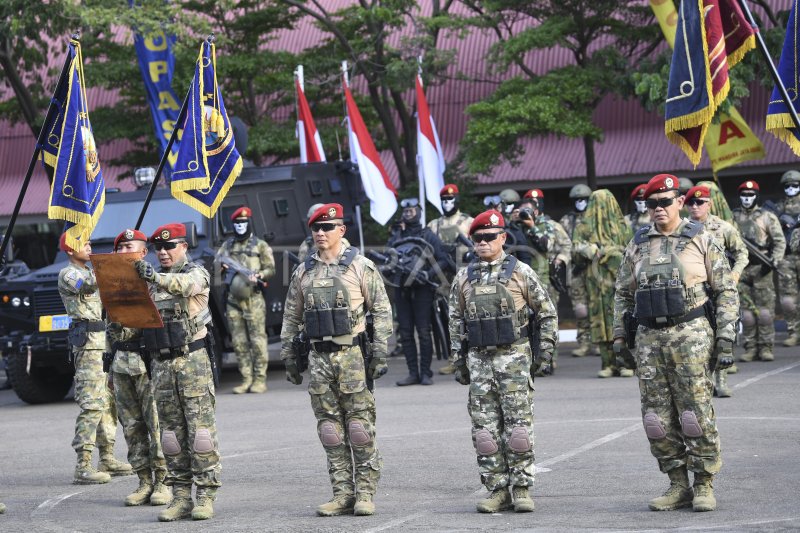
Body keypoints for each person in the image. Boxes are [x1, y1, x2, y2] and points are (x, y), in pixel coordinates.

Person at [614, 174, 738, 513]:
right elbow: (623, 294)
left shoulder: (702, 239)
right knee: (656, 418)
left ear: (679, 203)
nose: (658, 209)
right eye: (652, 203)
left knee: (694, 413)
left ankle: (703, 483)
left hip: (691, 337)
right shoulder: (637, 244)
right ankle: (677, 483)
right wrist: (619, 337)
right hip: (649, 340)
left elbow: (726, 290)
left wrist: (726, 336)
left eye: (665, 202)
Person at [281, 203, 391, 517]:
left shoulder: (361, 266)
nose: (320, 233)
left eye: (327, 227)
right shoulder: (304, 271)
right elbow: (292, 316)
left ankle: (365, 492)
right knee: (330, 430)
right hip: (319, 360)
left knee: (359, 427)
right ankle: (342, 493)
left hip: (352, 357)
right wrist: (288, 354)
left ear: (341, 230)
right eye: (315, 228)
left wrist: (380, 351)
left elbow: (381, 311)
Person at [449, 209, 557, 513]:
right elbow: (455, 321)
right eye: (478, 238)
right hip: (480, 363)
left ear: (503, 238)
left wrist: (545, 352)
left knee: (518, 430)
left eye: (489, 237)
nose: (483, 242)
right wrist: (459, 361)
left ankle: (521, 488)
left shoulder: (521, 272)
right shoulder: (463, 278)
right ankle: (496, 489)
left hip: (514, 362)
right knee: (485, 431)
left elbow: (546, 311)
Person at [134, 223, 221, 521]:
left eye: (170, 246)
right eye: (158, 248)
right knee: (170, 435)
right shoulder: (149, 282)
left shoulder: (197, 272)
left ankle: (205, 496)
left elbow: (185, 287)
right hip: (160, 365)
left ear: (184, 246)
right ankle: (181, 496)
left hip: (191, 362)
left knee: (200, 434)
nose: (163, 252)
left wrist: (153, 276)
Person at [57, 233, 132, 485]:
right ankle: (83, 465)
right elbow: (88, 286)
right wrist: (106, 266)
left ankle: (107, 456)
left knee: (106, 402)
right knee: (91, 404)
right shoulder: (69, 274)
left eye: (89, 243)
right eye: (83, 244)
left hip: (104, 340)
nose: (89, 246)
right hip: (88, 344)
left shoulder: (90, 270)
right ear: (69, 250)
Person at [106, 229, 171, 506]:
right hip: (122, 363)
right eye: (119, 248)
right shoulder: (111, 285)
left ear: (143, 252)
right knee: (131, 426)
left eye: (128, 246)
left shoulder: (155, 282)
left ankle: (163, 482)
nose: (123, 252)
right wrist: (108, 368)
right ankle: (143, 480)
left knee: (156, 424)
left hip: (149, 362)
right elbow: (109, 331)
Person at [684, 186, 748, 397]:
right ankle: (704, 380)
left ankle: (721, 379)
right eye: (691, 203)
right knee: (698, 338)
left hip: (718, 289)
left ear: (709, 204)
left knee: (722, 334)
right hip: (693, 292)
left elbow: (741, 253)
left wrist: (734, 276)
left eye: (699, 202)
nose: (695, 206)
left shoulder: (723, 227)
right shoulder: (682, 230)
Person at [387, 198, 450, 386]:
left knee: (423, 331)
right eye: (405, 211)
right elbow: (387, 259)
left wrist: (427, 274)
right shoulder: (397, 236)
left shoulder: (428, 235)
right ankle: (412, 373)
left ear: (419, 213)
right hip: (402, 289)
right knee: (405, 333)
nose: (408, 214)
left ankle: (425, 373)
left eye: (412, 211)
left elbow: (443, 259)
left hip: (423, 289)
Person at [572, 190, 633, 378]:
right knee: (600, 321)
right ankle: (608, 363)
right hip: (595, 283)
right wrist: (589, 250)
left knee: (620, 319)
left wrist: (613, 251)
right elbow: (574, 251)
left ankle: (624, 363)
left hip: (619, 282)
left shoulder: (623, 226)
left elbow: (633, 250)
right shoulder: (583, 227)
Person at [216, 206, 275, 394]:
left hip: (254, 298)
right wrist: (223, 266)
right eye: (237, 223)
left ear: (249, 223)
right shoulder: (228, 246)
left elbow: (271, 269)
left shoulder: (261, 245)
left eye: (243, 223)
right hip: (233, 300)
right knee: (239, 341)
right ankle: (246, 378)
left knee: (257, 340)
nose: (240, 226)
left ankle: (259, 379)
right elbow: (217, 265)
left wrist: (259, 274)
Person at [732, 180, 786, 362]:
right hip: (742, 268)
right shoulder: (732, 217)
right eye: (744, 195)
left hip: (762, 268)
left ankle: (766, 347)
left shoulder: (767, 216)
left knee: (764, 313)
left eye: (751, 195)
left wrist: (775, 260)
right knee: (746, 314)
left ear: (757, 196)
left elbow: (779, 241)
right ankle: (750, 348)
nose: (747, 199)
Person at [428, 184, 474, 375]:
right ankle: (454, 359)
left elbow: (479, 246)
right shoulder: (433, 225)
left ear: (457, 199)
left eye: (450, 199)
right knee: (450, 319)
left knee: (470, 317)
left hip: (465, 276)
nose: (447, 203)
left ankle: (473, 358)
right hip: (443, 280)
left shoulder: (469, 222)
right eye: (444, 200)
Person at [559, 184, 594, 357]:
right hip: (575, 270)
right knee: (581, 309)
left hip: (595, 269)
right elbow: (561, 243)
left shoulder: (597, 218)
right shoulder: (567, 221)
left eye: (583, 199)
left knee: (598, 306)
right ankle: (584, 343)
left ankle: (599, 342)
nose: (580, 203)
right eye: (577, 200)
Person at [775, 170, 800, 346]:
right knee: (788, 300)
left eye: (795, 185)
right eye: (787, 186)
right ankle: (794, 331)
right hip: (786, 258)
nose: (791, 188)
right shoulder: (776, 208)